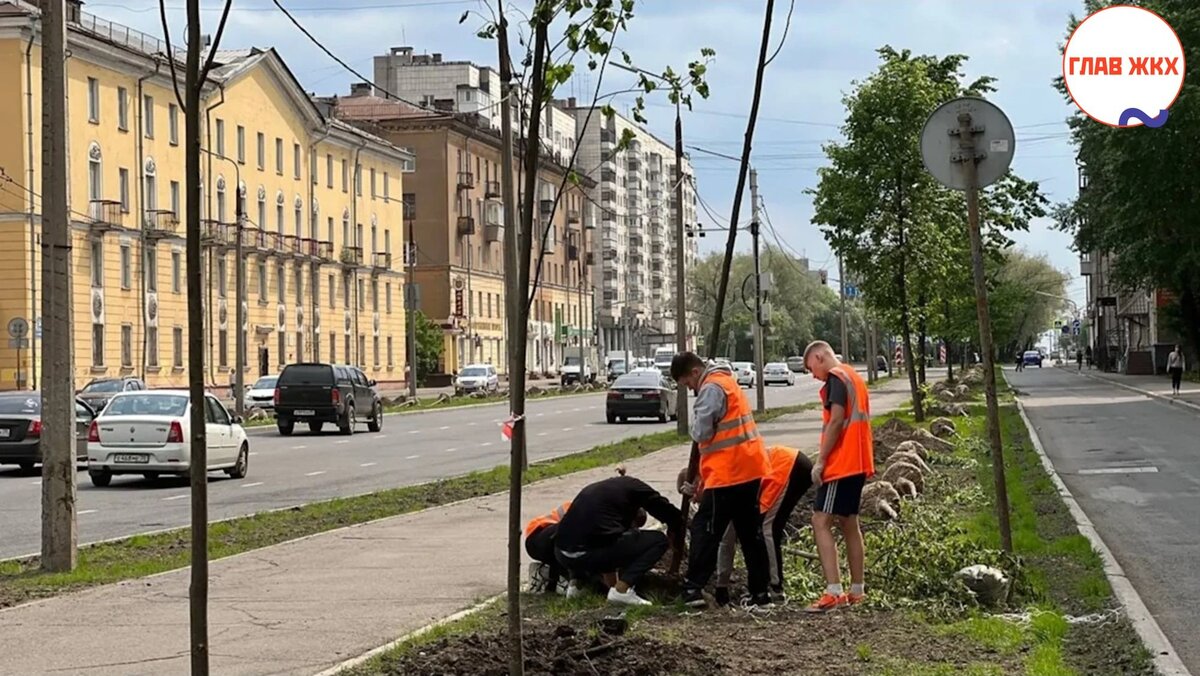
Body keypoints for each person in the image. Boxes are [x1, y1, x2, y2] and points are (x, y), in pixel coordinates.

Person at [671, 351, 772, 609]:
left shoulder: (711, 388)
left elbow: (702, 432)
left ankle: (693, 588)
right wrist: (699, 483)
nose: (690, 388)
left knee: (705, 529)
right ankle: (761, 594)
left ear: (695, 372)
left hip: (730, 474)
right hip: (748, 469)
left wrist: (693, 426)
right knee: (751, 534)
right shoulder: (727, 382)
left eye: (687, 383)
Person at [802, 340, 874, 613]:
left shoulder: (835, 378)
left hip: (841, 464)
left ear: (820, 357)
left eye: (811, 368)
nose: (813, 375)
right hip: (858, 460)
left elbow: (836, 420)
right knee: (849, 523)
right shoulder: (853, 375)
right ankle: (857, 591)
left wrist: (820, 461)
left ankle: (833, 592)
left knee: (820, 520)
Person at [695, 445, 814, 605]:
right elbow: (727, 539)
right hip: (789, 464)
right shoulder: (720, 487)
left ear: (698, 488)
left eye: (696, 500)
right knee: (769, 528)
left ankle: (775, 588)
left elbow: (726, 540)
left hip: (786, 466)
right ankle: (769, 586)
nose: (697, 504)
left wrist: (721, 586)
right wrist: (721, 586)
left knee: (767, 528)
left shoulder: (716, 487)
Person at [553, 473, 682, 606]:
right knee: (659, 540)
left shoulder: (601, 493)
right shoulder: (637, 489)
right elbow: (666, 510)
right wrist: (677, 526)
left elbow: (608, 544)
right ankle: (622, 591)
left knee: (591, 538)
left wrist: (611, 586)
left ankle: (576, 588)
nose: (634, 529)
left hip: (562, 554)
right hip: (590, 553)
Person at [524, 501, 571, 594]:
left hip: (546, 537)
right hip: (538, 533)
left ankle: (546, 574)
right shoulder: (585, 508)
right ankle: (563, 578)